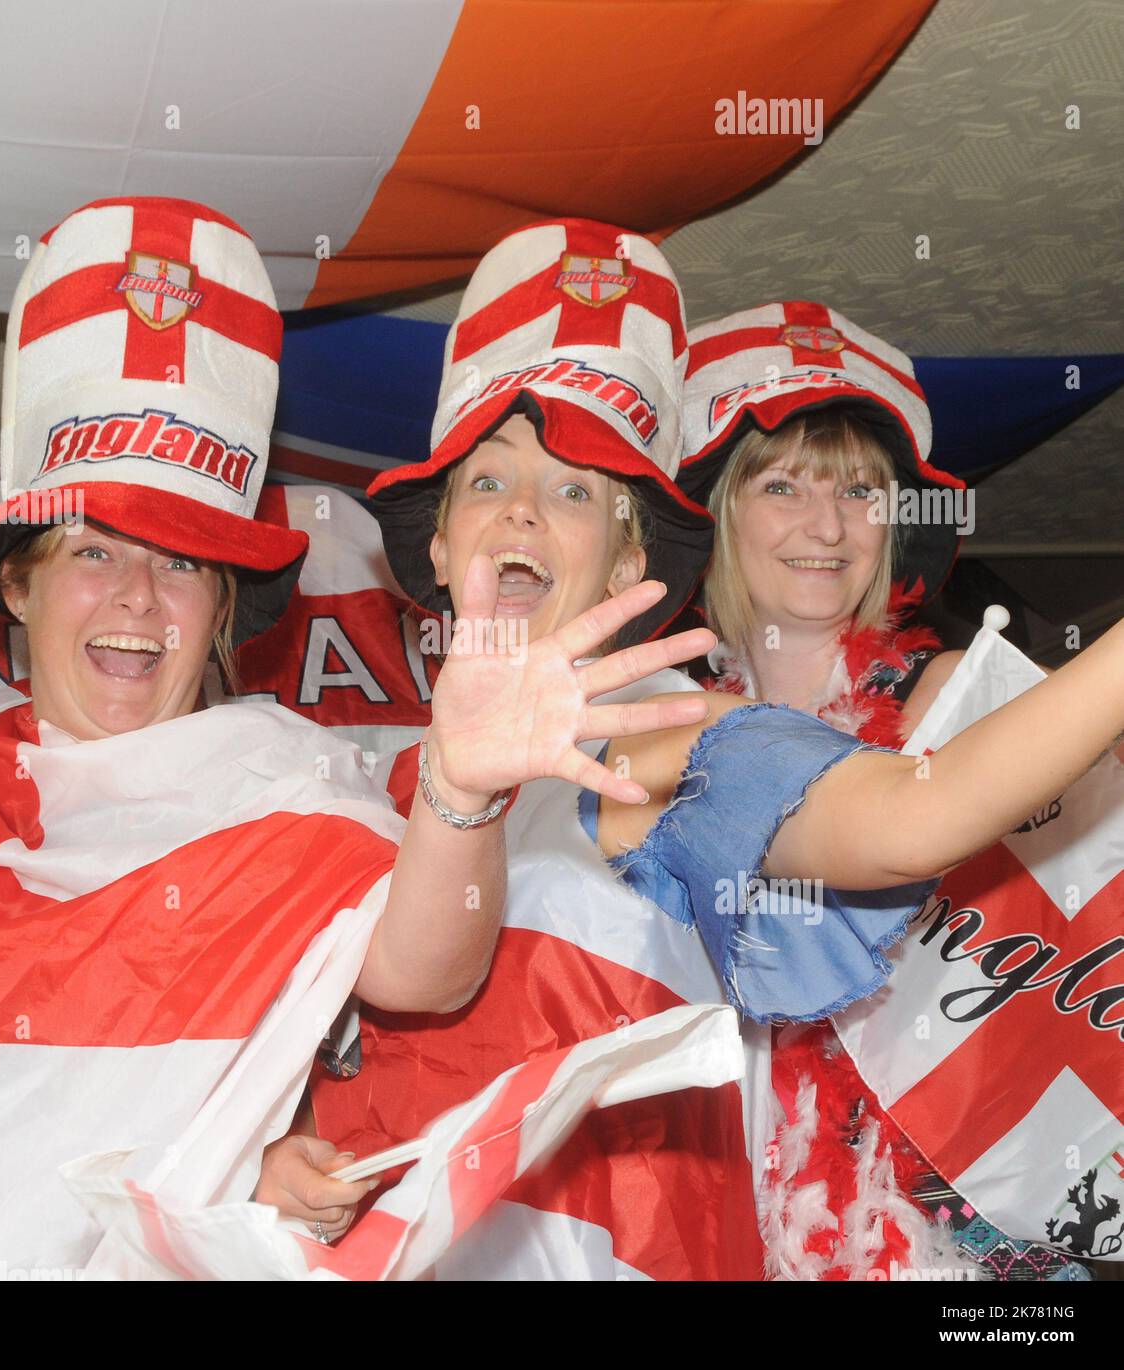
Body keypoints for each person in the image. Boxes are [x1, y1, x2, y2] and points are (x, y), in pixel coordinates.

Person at [0, 199, 710, 1279]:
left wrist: (462, 790)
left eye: (186, 562)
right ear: (16, 581)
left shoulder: (280, 785)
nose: (142, 599)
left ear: (222, 612)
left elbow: (421, 973)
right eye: (94, 550)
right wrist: (247, 1163)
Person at [313, 220, 1124, 1279]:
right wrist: (281, 1151)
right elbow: (353, 1012)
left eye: (572, 492)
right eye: (781, 483)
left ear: (628, 562)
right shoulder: (324, 774)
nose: (824, 524)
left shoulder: (667, 735)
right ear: (433, 538)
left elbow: (916, 817)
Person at [678, 300, 1092, 1279]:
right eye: (781, 485)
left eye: (861, 492)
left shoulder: (953, 694)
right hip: (719, 1200)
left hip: (965, 1219)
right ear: (716, 512)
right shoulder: (656, 727)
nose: (827, 526)